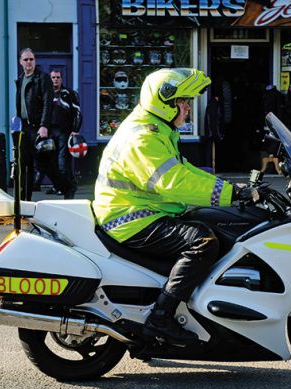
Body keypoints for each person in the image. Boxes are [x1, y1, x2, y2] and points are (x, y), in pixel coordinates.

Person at [93, 68, 259, 344]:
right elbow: (174, 182)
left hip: (143, 212)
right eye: (183, 102)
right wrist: (232, 194)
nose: (187, 108)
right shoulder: (143, 137)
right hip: (131, 218)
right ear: (165, 103)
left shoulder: (158, 129)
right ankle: (161, 318)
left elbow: (185, 171)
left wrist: (233, 187)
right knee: (203, 242)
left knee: (214, 223)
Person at [15, 48, 75, 200]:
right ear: (20, 62)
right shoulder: (21, 79)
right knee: (24, 164)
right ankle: (24, 200)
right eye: (26, 59)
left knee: (45, 165)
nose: (29, 62)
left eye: (31, 59)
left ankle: (67, 187)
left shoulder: (42, 78)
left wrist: (44, 125)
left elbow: (48, 104)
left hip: (37, 128)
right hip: (24, 128)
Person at [47, 70, 80, 194]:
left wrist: (75, 130)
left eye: (58, 77)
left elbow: (77, 112)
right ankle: (58, 186)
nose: (55, 79)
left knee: (63, 161)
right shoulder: (46, 94)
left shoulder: (69, 94)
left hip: (64, 131)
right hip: (50, 131)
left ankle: (67, 186)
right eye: (53, 77)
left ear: (61, 79)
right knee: (51, 161)